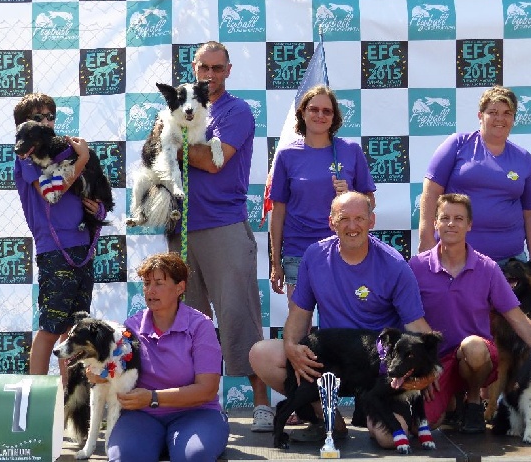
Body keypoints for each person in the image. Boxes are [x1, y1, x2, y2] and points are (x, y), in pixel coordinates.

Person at [250, 191, 432, 447]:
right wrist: (291, 347)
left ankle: (392, 415)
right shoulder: (314, 256)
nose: (352, 226)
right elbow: (299, 315)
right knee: (261, 353)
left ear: (372, 221)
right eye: (344, 218)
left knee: (390, 439)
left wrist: (431, 372)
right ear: (331, 222)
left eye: (359, 218)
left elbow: (416, 327)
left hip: (378, 373)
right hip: (333, 363)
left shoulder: (394, 264)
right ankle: (327, 420)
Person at [167, 41, 272, 432]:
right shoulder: (178, 106)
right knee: (185, 323)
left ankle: (262, 403)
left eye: (217, 68)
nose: (209, 75)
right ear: (194, 69)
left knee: (237, 316)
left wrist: (176, 143)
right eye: (203, 68)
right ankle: (196, 406)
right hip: (179, 227)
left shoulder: (236, 110)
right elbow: (157, 153)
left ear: (228, 71)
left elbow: (214, 161)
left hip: (223, 225)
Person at [408, 193, 531, 434]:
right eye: (445, 218)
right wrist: (424, 364)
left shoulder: (488, 268)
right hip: (434, 360)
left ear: (469, 225)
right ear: (435, 224)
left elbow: (517, 317)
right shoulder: (416, 267)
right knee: (425, 425)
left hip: (477, 358)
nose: (451, 224)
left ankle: (473, 402)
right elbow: (407, 319)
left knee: (474, 347)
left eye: (459, 218)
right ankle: (452, 403)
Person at [102, 252, 228, 462]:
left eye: (159, 283)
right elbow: (116, 369)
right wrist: (99, 374)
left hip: (197, 413)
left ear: (180, 288)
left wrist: (153, 398)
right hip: (141, 415)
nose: (150, 290)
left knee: (194, 456)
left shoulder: (201, 325)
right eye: (146, 283)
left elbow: (207, 389)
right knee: (125, 457)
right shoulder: (131, 326)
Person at [13, 94, 101, 385]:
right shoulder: (25, 158)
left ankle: (72, 403)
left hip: (83, 247)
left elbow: (91, 189)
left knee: (75, 330)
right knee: (51, 327)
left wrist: (97, 209)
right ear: (23, 127)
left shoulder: (64, 152)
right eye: (38, 118)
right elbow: (53, 191)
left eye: (50, 116)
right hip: (54, 251)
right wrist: (83, 157)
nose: (46, 122)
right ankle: (34, 399)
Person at [269, 85, 376, 304]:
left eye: (327, 111)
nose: (320, 115)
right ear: (302, 113)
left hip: (341, 247)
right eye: (314, 109)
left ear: (334, 117)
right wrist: (275, 262)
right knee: (299, 326)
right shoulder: (286, 155)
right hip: (298, 250)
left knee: (343, 321)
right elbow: (278, 212)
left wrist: (351, 195)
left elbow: (370, 203)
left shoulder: (350, 150)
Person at [417, 85, 531, 264]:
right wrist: (426, 239)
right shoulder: (457, 144)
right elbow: (430, 193)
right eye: (493, 112)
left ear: (514, 118)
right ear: (480, 116)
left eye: (507, 113)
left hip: (510, 264)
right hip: (455, 260)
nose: (500, 118)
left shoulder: (524, 159)